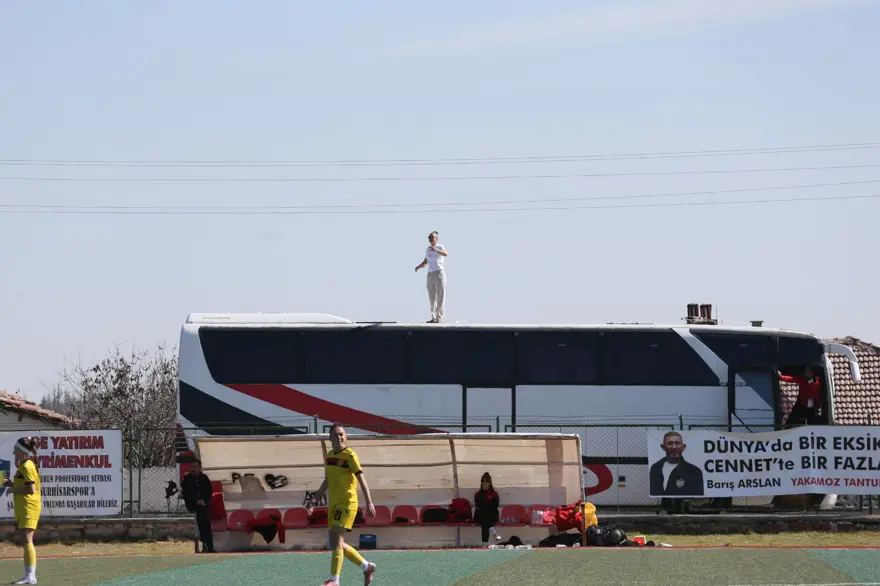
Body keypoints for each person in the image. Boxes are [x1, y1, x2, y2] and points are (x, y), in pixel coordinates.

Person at [306, 424, 377, 586]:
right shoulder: (330, 456)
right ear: (330, 438)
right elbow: (327, 481)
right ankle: (366, 567)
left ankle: (334, 581)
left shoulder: (350, 455)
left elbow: (361, 479)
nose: (339, 437)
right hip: (334, 505)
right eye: (336, 435)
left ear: (346, 437)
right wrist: (315, 500)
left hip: (347, 504)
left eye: (342, 434)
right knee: (336, 543)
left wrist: (369, 502)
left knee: (336, 541)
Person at [2, 437, 42, 585]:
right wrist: (11, 484)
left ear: (21, 451)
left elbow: (31, 490)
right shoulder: (25, 465)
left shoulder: (27, 466)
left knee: (27, 540)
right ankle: (28, 575)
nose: (13, 452)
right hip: (24, 507)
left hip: (28, 507)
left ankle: (30, 577)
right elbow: (24, 485)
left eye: (15, 449)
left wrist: (13, 489)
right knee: (25, 540)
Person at [649, 431, 704, 497]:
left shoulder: (694, 471)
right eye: (670, 443)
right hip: (664, 506)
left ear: (683, 447)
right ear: (663, 447)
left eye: (677, 443)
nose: (674, 447)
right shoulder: (655, 468)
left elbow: (696, 495)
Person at [182, 459, 215, 554]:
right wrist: (195, 501)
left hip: (203, 505)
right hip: (193, 506)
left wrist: (204, 501)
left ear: (199, 468)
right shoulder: (186, 479)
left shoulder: (204, 478)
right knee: (199, 524)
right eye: (191, 467)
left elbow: (209, 491)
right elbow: (186, 493)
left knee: (205, 525)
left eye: (195, 467)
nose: (193, 469)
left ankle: (209, 546)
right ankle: (201, 545)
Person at [414, 231, 448, 323]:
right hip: (430, 274)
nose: (430, 239)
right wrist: (418, 267)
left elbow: (445, 254)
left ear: (436, 238)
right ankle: (433, 318)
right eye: (429, 237)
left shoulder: (440, 247)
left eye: (432, 237)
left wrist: (436, 250)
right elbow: (426, 262)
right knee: (432, 296)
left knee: (440, 296)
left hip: (439, 273)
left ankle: (439, 318)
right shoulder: (428, 249)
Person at [473, 472, 502, 547]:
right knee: (484, 515)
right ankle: (493, 531)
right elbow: (479, 505)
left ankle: (484, 545)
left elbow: (495, 505)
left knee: (485, 522)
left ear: (490, 483)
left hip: (491, 515)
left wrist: (488, 494)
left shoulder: (494, 493)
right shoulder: (478, 494)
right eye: (483, 481)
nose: (484, 483)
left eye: (486, 482)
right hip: (481, 515)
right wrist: (484, 494)